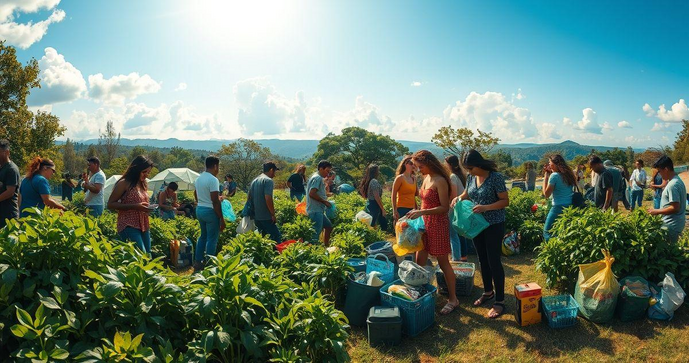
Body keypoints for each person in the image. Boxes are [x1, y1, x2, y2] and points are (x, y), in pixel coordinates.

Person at [452, 150, 509, 319]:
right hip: (477, 225)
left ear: (478, 165)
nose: (469, 172)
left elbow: (505, 201)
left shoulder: (495, 178)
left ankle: (500, 301)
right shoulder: (471, 178)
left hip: (494, 225)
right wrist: (459, 198)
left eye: (470, 168)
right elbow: (468, 193)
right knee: (482, 259)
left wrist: (486, 207)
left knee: (493, 261)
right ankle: (488, 292)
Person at [407, 150, 458, 315]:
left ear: (428, 163)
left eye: (420, 166)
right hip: (424, 225)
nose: (418, 170)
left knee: (443, 263)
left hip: (438, 225)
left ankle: (453, 299)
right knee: (419, 260)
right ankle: (418, 292)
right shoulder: (426, 178)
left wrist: (422, 213)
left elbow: (444, 207)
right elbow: (424, 203)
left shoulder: (440, 180)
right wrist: (413, 216)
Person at [107, 156, 154, 253]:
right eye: (144, 172)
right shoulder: (124, 183)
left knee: (148, 256)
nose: (146, 175)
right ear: (137, 169)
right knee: (140, 255)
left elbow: (140, 202)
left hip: (143, 224)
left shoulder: (142, 184)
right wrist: (135, 206)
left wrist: (146, 207)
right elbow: (110, 204)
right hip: (129, 225)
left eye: (148, 172)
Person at [193, 156, 226, 269]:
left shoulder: (199, 178)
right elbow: (215, 201)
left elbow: (195, 193)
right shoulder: (213, 179)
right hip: (210, 211)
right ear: (215, 166)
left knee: (203, 236)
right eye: (219, 167)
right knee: (212, 238)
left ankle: (198, 261)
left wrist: (201, 201)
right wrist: (221, 219)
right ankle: (209, 264)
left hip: (200, 210)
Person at [648, 155, 686, 243]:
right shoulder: (677, 180)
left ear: (666, 169)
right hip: (675, 224)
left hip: (672, 225)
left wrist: (657, 211)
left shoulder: (673, 185)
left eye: (660, 171)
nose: (660, 174)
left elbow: (675, 208)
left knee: (669, 252)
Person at [542, 154, 575, 241]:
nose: (549, 165)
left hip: (558, 206)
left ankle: (553, 248)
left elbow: (546, 194)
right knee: (562, 230)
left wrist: (546, 176)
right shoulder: (568, 174)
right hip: (569, 205)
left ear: (556, 164)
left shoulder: (554, 176)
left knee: (547, 232)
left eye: (550, 163)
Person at [248, 162, 281, 243]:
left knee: (263, 240)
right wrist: (272, 214)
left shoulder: (255, 181)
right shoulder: (268, 181)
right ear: (271, 170)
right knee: (276, 238)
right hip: (266, 216)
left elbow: (249, 197)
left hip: (257, 217)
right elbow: (268, 198)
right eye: (274, 172)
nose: (274, 175)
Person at [446, 155, 469, 262]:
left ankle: (456, 259)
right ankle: (463, 256)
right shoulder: (461, 175)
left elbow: (453, 195)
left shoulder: (453, 177)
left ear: (449, 164)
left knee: (453, 235)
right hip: (461, 208)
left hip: (454, 209)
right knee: (460, 234)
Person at [306, 160, 334, 245]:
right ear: (321, 169)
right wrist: (324, 201)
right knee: (315, 235)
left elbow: (317, 192)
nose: (328, 174)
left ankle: (326, 245)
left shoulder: (317, 177)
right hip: (315, 211)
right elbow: (312, 193)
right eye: (327, 171)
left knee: (328, 226)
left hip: (319, 210)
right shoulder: (317, 178)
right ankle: (313, 252)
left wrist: (326, 195)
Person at [359, 164, 387, 231]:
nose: (379, 172)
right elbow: (376, 196)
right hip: (374, 205)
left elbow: (362, 193)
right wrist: (382, 208)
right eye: (378, 170)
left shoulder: (368, 181)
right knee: (373, 223)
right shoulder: (374, 181)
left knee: (372, 223)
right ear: (375, 172)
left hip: (370, 203)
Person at [0, 139, 20, 228]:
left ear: (7, 152)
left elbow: (10, 192)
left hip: (8, 216)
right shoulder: (2, 168)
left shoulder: (11, 169)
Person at [391, 156, 417, 221]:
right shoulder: (400, 178)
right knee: (401, 229)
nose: (413, 165)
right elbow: (393, 195)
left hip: (412, 209)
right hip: (401, 208)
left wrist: (416, 209)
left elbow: (414, 195)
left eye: (414, 164)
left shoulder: (414, 178)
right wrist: (394, 211)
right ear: (405, 164)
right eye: (411, 163)